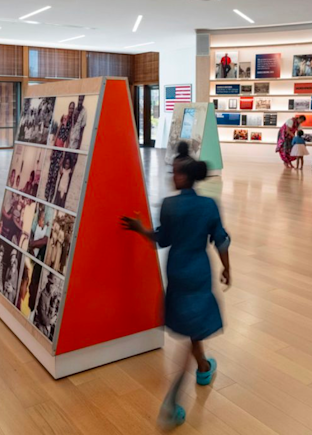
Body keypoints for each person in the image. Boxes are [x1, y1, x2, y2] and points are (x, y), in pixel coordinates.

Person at [120, 156, 230, 429]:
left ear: (183, 177)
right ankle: (171, 403)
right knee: (194, 325)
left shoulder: (170, 205)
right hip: (198, 272)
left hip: (177, 271)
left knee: (191, 325)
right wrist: (227, 269)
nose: (172, 176)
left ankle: (203, 367)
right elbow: (221, 240)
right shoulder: (208, 205)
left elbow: (161, 239)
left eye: (175, 172)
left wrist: (139, 228)